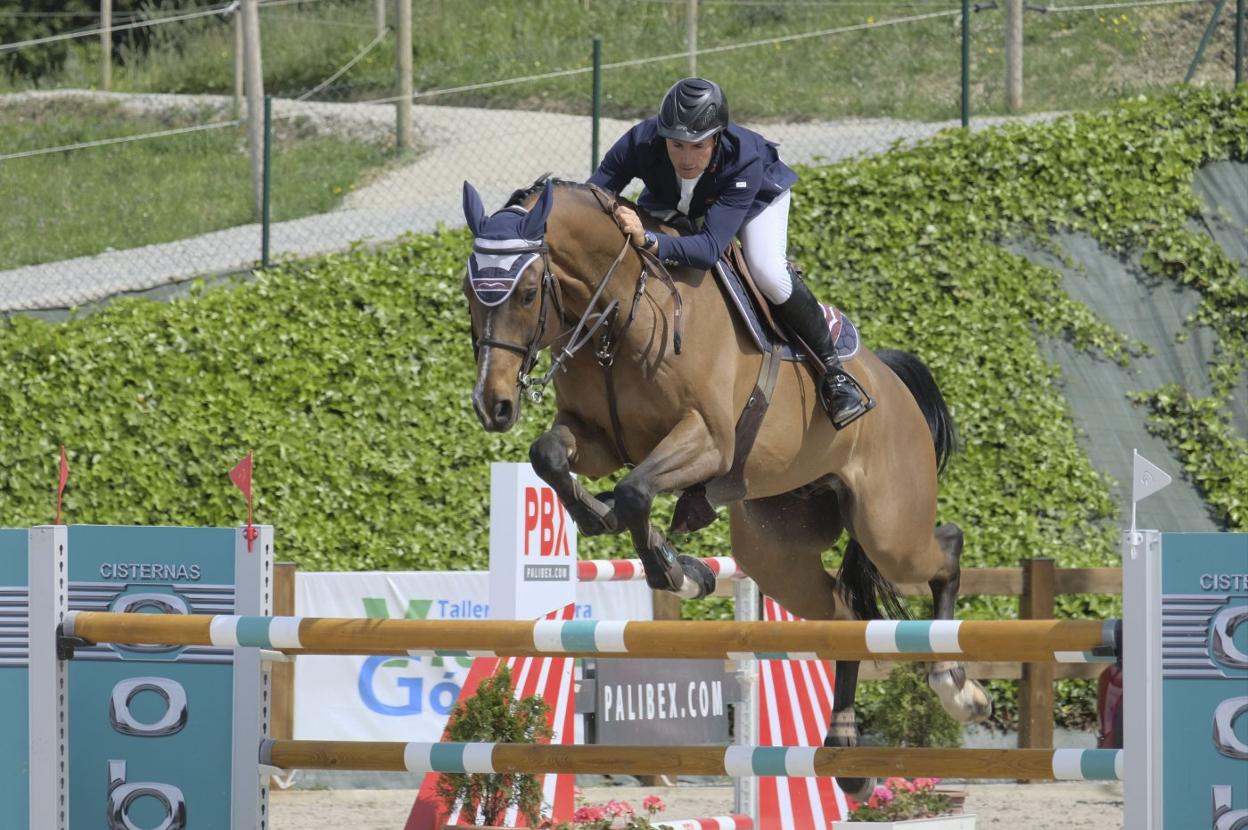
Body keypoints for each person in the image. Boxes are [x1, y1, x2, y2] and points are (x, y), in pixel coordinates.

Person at [588, 77, 872, 429]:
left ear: (717, 137)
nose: (687, 158)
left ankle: (834, 374)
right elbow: (591, 199)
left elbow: (708, 248)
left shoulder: (743, 158)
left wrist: (648, 239)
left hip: (755, 197)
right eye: (676, 145)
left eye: (699, 146)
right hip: (673, 200)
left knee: (766, 270)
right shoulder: (640, 141)